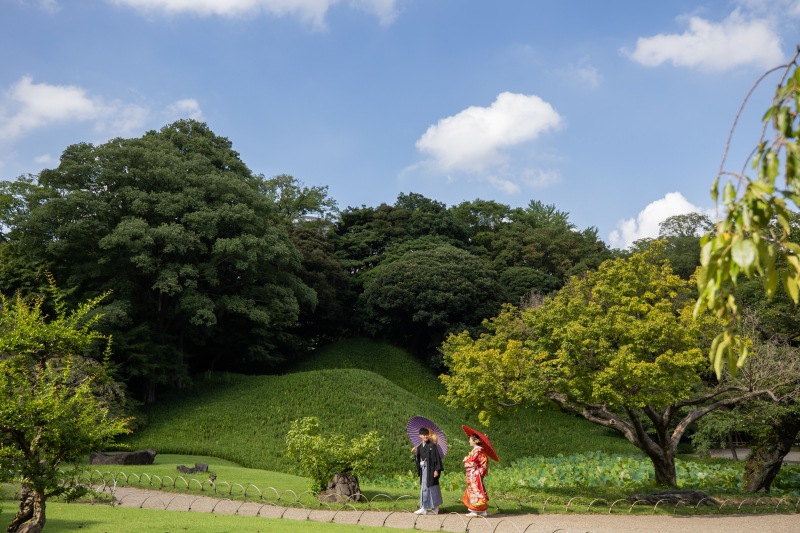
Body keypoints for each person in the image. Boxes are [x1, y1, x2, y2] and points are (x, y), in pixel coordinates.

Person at [412, 427, 443, 515]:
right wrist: (416, 453)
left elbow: (436, 458)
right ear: (420, 436)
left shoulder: (432, 445)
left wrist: (436, 470)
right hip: (424, 469)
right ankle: (426, 507)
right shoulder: (420, 446)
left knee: (432, 487)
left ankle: (431, 508)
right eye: (424, 435)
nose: (426, 436)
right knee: (425, 487)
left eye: (427, 435)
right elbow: (419, 458)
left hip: (431, 469)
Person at [462, 434, 489, 517]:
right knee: (479, 490)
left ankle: (474, 511)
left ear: (474, 441)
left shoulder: (476, 451)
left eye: (470, 439)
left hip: (475, 474)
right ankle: (483, 512)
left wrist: (466, 460)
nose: (469, 441)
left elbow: (473, 463)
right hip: (476, 473)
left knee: (475, 490)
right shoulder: (477, 450)